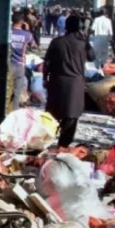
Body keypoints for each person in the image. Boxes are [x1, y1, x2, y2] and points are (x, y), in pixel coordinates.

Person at [43, 15, 93, 148]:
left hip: (56, 82)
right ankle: (63, 145)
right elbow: (92, 57)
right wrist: (86, 39)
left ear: (65, 26)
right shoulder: (83, 43)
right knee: (71, 116)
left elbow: (47, 63)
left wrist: (44, 79)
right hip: (75, 84)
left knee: (53, 114)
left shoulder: (56, 42)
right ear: (79, 28)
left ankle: (45, 141)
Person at [9, 12, 36, 112]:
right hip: (20, 64)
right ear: (22, 21)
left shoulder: (7, 33)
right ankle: (14, 112)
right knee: (17, 92)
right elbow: (33, 45)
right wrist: (28, 30)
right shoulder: (27, 35)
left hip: (8, 64)